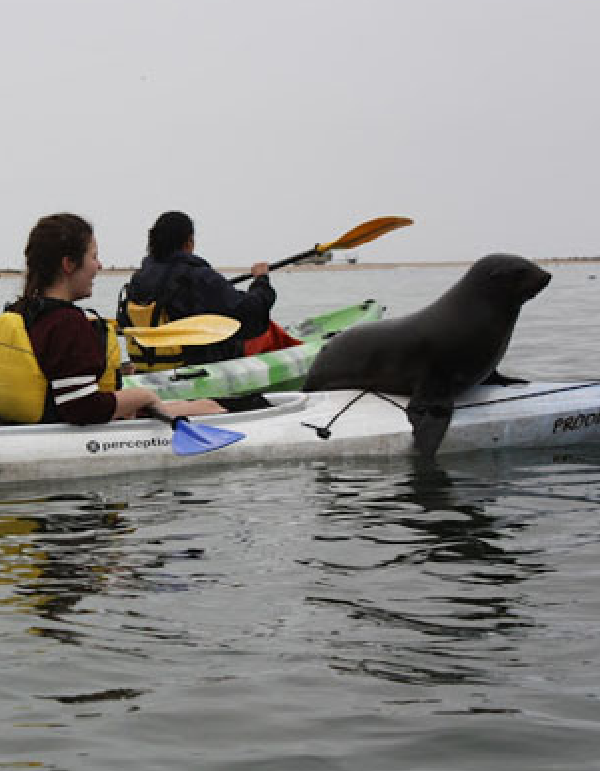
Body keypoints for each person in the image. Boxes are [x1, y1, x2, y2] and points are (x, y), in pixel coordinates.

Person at [0, 213, 224, 425]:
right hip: (72, 430)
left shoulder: (23, 311)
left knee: (203, 404)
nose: (99, 266)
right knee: (212, 408)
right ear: (68, 264)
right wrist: (143, 396)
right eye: (93, 256)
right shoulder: (67, 323)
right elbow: (81, 407)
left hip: (46, 423)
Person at [117, 210, 299, 372]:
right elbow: (250, 313)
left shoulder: (138, 279)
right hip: (197, 363)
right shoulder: (198, 276)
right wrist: (261, 281)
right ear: (188, 242)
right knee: (269, 331)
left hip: (152, 363)